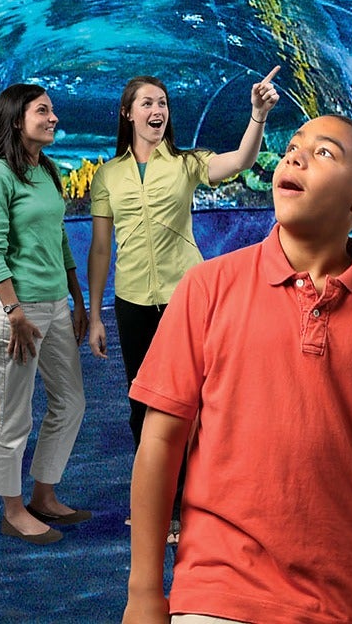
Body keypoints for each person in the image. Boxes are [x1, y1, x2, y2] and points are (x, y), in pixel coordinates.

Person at [122, 114, 352, 624]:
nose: (294, 156)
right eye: (293, 146)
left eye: (323, 153)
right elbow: (160, 442)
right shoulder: (207, 288)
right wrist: (143, 593)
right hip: (218, 593)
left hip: (349, 604)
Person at [85, 69, 280, 452]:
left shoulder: (185, 164)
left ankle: (200, 493)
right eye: (147, 103)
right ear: (128, 113)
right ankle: (156, 502)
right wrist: (94, 316)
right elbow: (101, 248)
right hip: (132, 303)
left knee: (197, 396)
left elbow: (241, 160)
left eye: (163, 103)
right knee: (142, 401)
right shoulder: (107, 176)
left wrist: (258, 114)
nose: (157, 110)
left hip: (186, 299)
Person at [0, 84, 92, 545]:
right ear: (16, 118)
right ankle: (12, 509)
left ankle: (44, 494)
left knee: (71, 401)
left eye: (52, 111)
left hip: (55, 306)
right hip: (17, 312)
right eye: (43, 111)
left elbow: (60, 239)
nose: (54, 118)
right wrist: (14, 310)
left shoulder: (46, 170)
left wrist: (78, 298)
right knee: (14, 412)